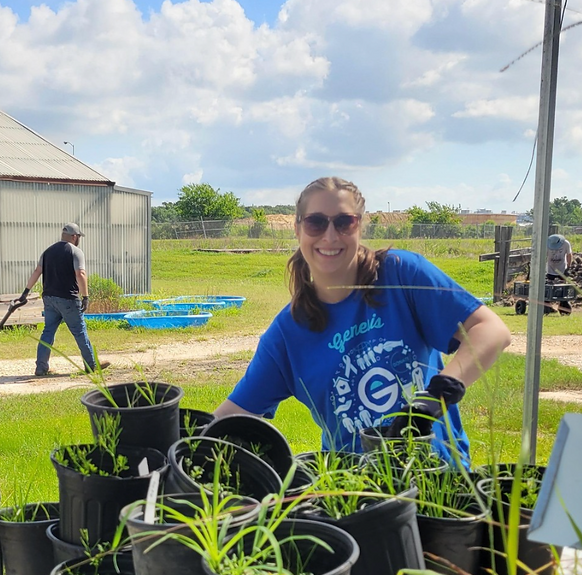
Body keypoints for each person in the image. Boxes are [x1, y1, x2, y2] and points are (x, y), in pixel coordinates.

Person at [213, 177, 511, 459]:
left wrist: (431, 400)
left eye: (344, 222)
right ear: (298, 229)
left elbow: (491, 331)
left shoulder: (400, 276)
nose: (330, 236)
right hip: (352, 494)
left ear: (360, 225)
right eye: (316, 222)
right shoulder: (288, 333)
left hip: (438, 481)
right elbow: (233, 416)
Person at [20, 222, 108, 376]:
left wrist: (26, 292)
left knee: (47, 332)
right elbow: (80, 274)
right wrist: (85, 296)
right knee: (79, 332)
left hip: (49, 298)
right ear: (74, 237)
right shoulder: (75, 252)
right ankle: (91, 365)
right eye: (78, 236)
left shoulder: (47, 251)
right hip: (68, 298)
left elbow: (37, 271)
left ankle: (41, 367)